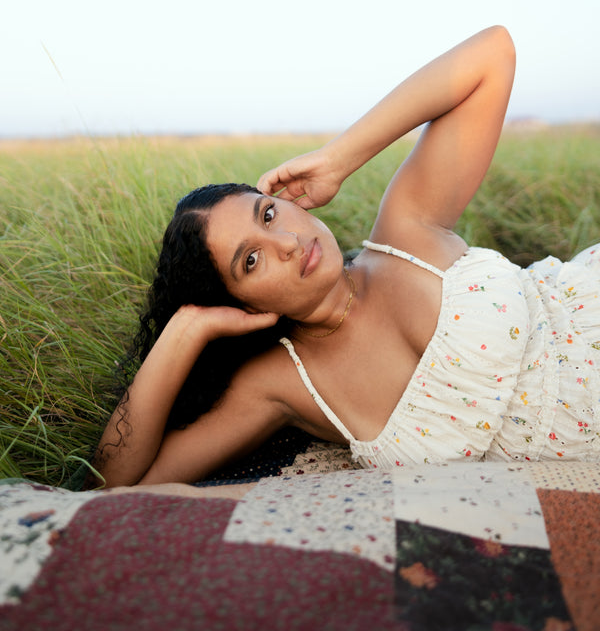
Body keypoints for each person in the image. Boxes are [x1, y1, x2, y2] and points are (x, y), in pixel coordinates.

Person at [93, 26, 600, 488]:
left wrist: (339, 158)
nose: (287, 242)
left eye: (268, 215)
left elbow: (493, 53)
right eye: (250, 261)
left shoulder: (405, 229)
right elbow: (114, 486)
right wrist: (187, 328)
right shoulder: (282, 384)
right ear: (240, 303)